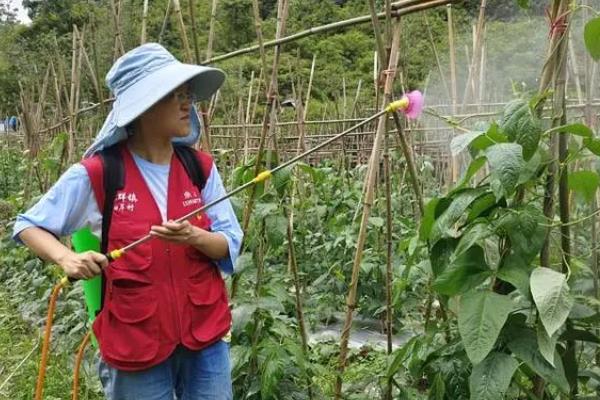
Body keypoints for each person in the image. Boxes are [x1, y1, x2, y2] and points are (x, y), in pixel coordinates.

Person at [12, 43, 242, 400]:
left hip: (206, 338)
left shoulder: (200, 168)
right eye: (176, 95)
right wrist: (67, 258)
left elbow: (229, 241)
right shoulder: (101, 173)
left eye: (188, 95)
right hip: (137, 342)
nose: (188, 105)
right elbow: (28, 224)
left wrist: (195, 236)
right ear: (145, 104)